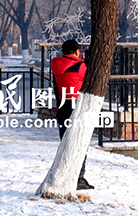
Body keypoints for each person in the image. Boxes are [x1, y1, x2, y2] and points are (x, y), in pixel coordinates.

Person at [51, 39, 93, 190]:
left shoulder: (55, 65)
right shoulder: (80, 66)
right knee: (79, 143)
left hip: (62, 107)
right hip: (75, 107)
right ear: (76, 52)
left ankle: (63, 175)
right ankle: (79, 178)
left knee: (65, 143)